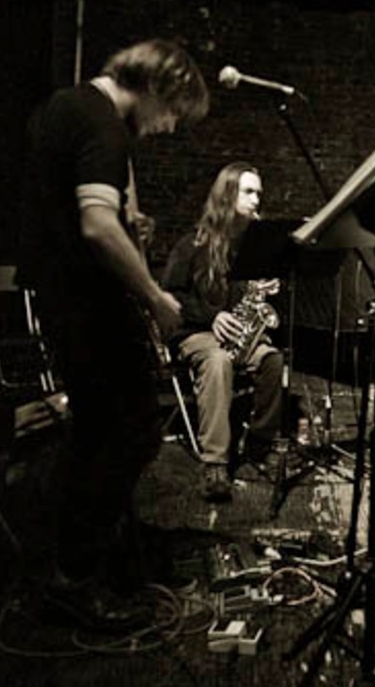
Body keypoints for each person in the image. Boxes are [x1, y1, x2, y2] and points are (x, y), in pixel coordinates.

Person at [19, 39, 210, 631]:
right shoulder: (104, 123)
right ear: (156, 87)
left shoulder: (69, 107)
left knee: (101, 432)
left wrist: (134, 228)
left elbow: (82, 209)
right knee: (128, 432)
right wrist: (154, 296)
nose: (169, 127)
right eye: (173, 112)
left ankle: (96, 559)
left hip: (65, 295)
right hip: (87, 303)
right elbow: (98, 225)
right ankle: (73, 576)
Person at [161, 162, 284, 503]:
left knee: (273, 360)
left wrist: (269, 288)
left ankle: (259, 445)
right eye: (249, 191)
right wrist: (212, 317)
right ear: (227, 194)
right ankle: (215, 463)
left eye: (259, 193)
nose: (257, 200)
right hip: (196, 333)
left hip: (238, 333)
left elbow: (252, 298)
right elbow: (170, 295)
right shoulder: (192, 243)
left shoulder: (254, 247)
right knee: (218, 361)